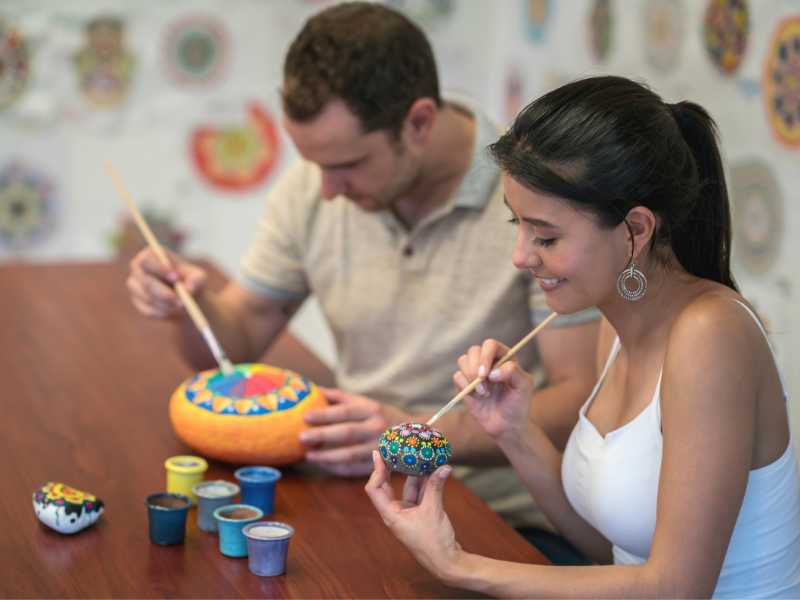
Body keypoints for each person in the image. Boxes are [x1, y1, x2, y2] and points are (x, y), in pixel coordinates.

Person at [126, 2, 599, 561]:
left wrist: (414, 438)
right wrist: (189, 303)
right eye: (315, 165)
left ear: (419, 122)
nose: (327, 191)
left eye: (346, 165)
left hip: (504, 517)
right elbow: (232, 348)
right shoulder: (315, 185)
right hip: (361, 491)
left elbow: (581, 402)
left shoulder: (533, 203)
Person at [366, 75, 800, 598]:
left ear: (636, 231)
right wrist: (515, 432)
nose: (521, 257)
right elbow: (612, 552)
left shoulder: (711, 335)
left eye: (546, 236)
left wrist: (458, 565)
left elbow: (676, 587)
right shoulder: (613, 324)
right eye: (518, 227)